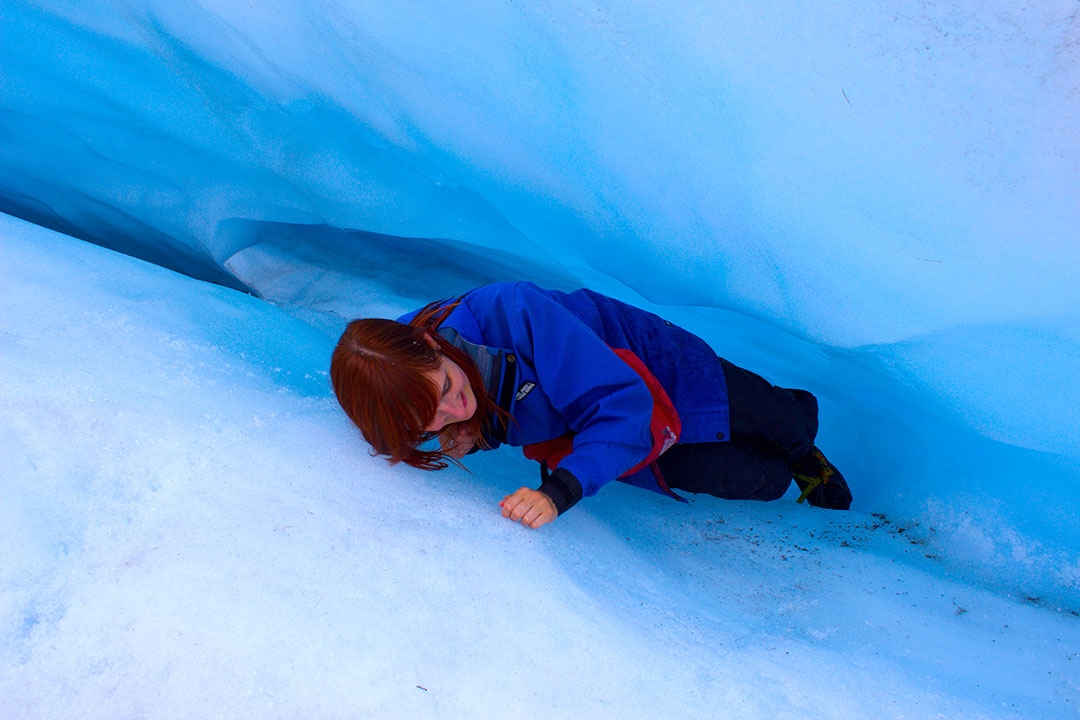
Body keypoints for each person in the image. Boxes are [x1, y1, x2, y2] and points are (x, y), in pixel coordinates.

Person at [330, 281, 852, 529]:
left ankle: (807, 451)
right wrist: (479, 432)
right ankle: (787, 470)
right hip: (593, 434)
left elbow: (620, 403)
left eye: (446, 389)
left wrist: (560, 491)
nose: (453, 409)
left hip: (649, 368)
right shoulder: (404, 381)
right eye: (433, 419)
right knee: (756, 480)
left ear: (432, 344)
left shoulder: (513, 311)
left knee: (776, 418)